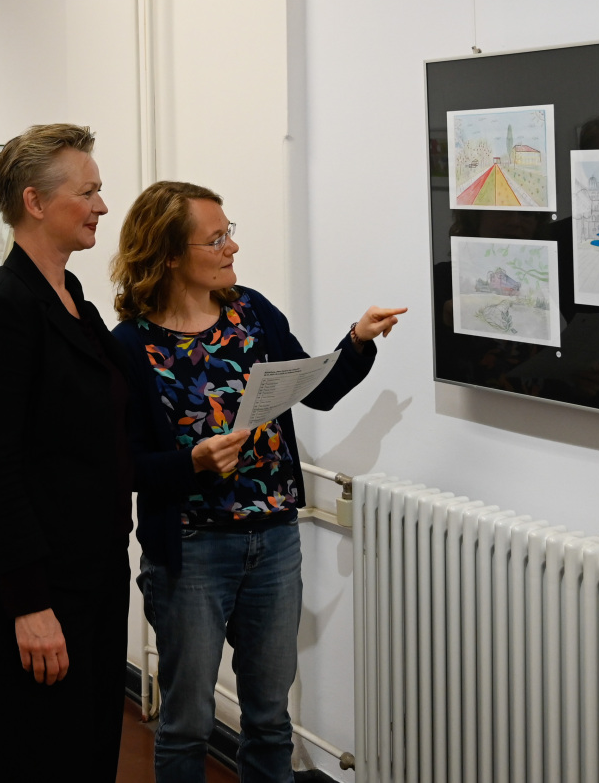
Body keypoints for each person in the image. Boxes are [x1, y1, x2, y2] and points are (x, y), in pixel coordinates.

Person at [110, 180, 405, 783]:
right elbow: (123, 467)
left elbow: (314, 390)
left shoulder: (253, 312)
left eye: (230, 232)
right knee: (187, 723)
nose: (232, 247)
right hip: (190, 550)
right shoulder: (129, 348)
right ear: (169, 254)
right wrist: (192, 462)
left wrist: (356, 342)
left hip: (273, 539)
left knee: (270, 719)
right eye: (215, 239)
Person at [0, 124, 133, 781]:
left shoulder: (72, 298)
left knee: (87, 750)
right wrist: (29, 605)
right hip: (36, 583)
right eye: (88, 192)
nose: (101, 206)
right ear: (34, 202)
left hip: (91, 568)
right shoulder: (6, 311)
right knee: (42, 757)